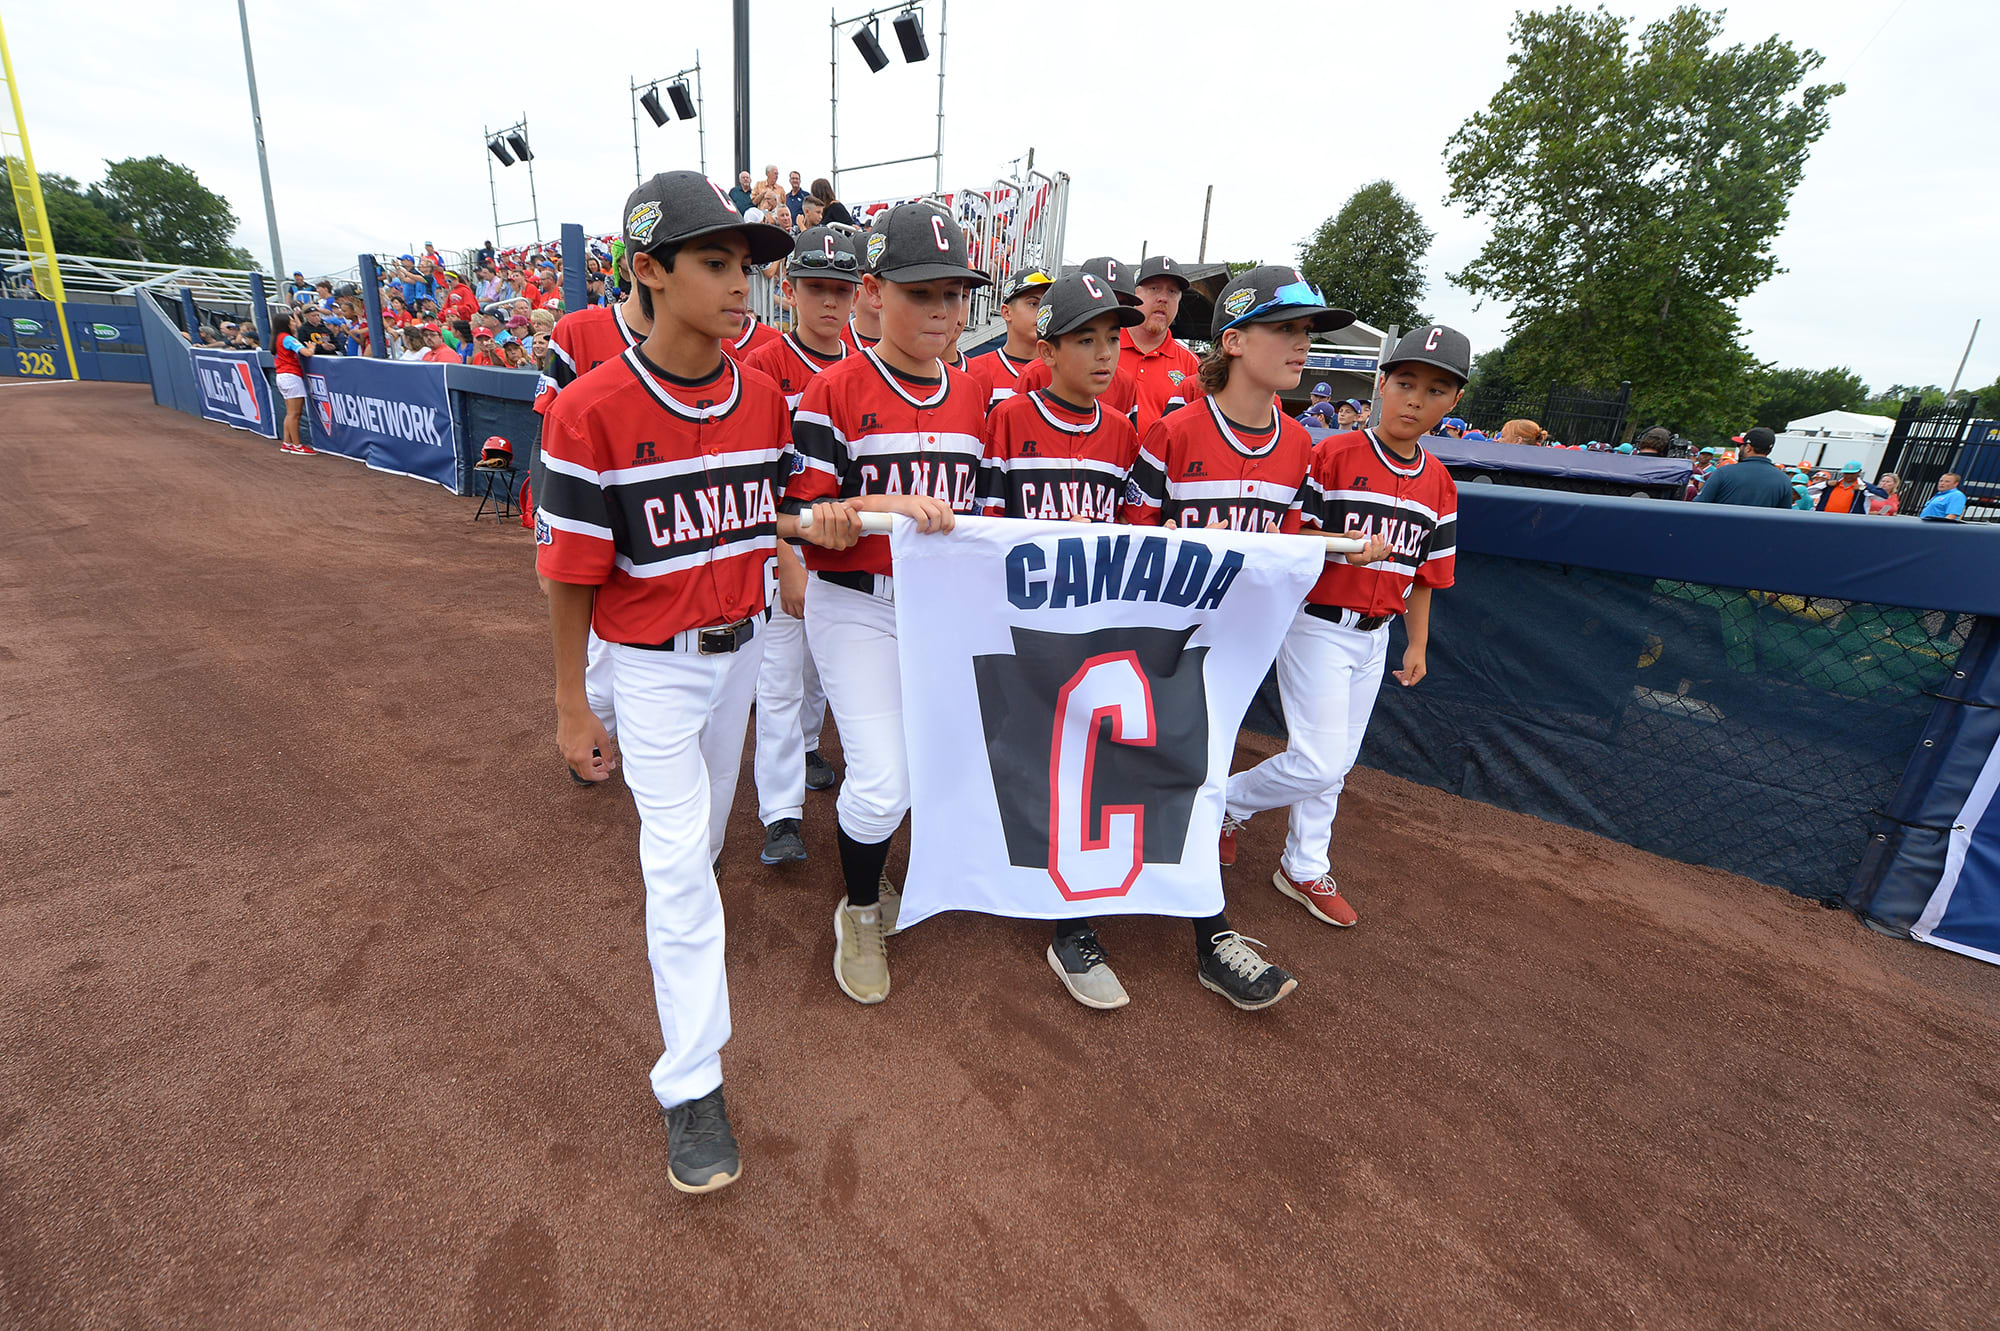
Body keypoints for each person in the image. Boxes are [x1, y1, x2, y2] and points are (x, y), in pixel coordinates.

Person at [535, 170, 860, 1195]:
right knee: (676, 865)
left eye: (746, 265)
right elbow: (568, 574)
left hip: (745, 655)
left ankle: (690, 1006)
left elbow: (798, 508)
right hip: (653, 674)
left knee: (701, 852)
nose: (741, 284)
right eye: (715, 263)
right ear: (649, 269)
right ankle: (691, 1080)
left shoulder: (764, 395)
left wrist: (838, 520)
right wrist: (568, 701)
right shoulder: (589, 408)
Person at [1122, 265, 1352, 1010]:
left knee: (1203, 779)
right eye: (1285, 329)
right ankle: (1084, 919)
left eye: (1306, 331)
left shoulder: (1300, 447)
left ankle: (1206, 930)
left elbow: (1290, 551)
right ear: (1233, 340)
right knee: (1130, 775)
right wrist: (1194, 544)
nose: (1301, 345)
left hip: (1234, 651)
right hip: (1159, 643)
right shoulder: (1174, 429)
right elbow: (1126, 543)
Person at [784, 202, 990, 1005]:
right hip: (859, 603)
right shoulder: (832, 389)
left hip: (944, 611)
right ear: (873, 291)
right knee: (881, 781)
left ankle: (899, 879)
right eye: (921, 292)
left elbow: (991, 517)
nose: (943, 311)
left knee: (937, 767)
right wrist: (844, 517)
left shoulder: (978, 398)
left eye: (954, 293)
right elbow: (799, 512)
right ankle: (860, 906)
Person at [1224, 323, 1465, 941]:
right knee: (1321, 761)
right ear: (1382, 384)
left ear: (1453, 402)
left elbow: (1429, 574)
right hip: (1318, 625)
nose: (1415, 398)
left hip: (1378, 634)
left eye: (1435, 389)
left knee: (1338, 764)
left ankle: (1304, 865)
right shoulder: (1332, 455)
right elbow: (1285, 534)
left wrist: (1417, 642)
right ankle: (1225, 802)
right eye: (1405, 382)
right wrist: (1342, 544)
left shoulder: (1440, 483)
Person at [975, 271, 1145, 1009]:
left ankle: (1071, 923)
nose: (1106, 354)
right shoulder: (1010, 418)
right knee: (1008, 764)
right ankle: (993, 873)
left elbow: (1135, 541)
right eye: (1086, 339)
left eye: (1114, 339)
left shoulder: (1123, 434)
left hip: (1088, 633)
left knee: (1083, 774)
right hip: (1020, 625)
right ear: (1047, 347)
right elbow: (983, 531)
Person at [741, 225, 864, 865]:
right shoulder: (762, 367)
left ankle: (810, 748)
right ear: (789, 292)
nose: (829, 303)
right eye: (816, 288)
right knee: (781, 678)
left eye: (840, 291)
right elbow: (759, 477)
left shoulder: (865, 366)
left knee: (823, 675)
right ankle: (780, 814)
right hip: (786, 544)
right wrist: (786, 554)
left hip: (846, 555)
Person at [1015, 257, 1142, 422]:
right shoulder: (1035, 373)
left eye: (1121, 303)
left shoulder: (1125, 384)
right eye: (1086, 340)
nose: (1107, 305)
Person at [1123, 255, 1201, 434]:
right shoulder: (1105, 348)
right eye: (1154, 288)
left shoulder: (1191, 364)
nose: (1163, 298)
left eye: (1172, 292)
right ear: (1135, 294)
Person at [965, 269, 1052, 411]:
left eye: (1047, 305)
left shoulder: (1063, 372)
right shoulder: (976, 371)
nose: (1042, 312)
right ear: (1006, 312)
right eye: (1033, 304)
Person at [1693, 427, 1793, 508]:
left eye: (1740, 445)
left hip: (1721, 531)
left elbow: (1698, 507)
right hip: (1760, 532)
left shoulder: (1723, 472)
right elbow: (1784, 517)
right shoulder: (1784, 480)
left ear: (1748, 448)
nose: (1739, 448)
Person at [270, 310, 315, 457]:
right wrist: (311, 348)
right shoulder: (287, 338)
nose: (294, 324)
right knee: (295, 414)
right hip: (291, 376)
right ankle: (297, 445)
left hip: (282, 376)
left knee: (290, 413)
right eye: (291, 322)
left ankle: (287, 443)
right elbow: (307, 353)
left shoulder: (276, 338)